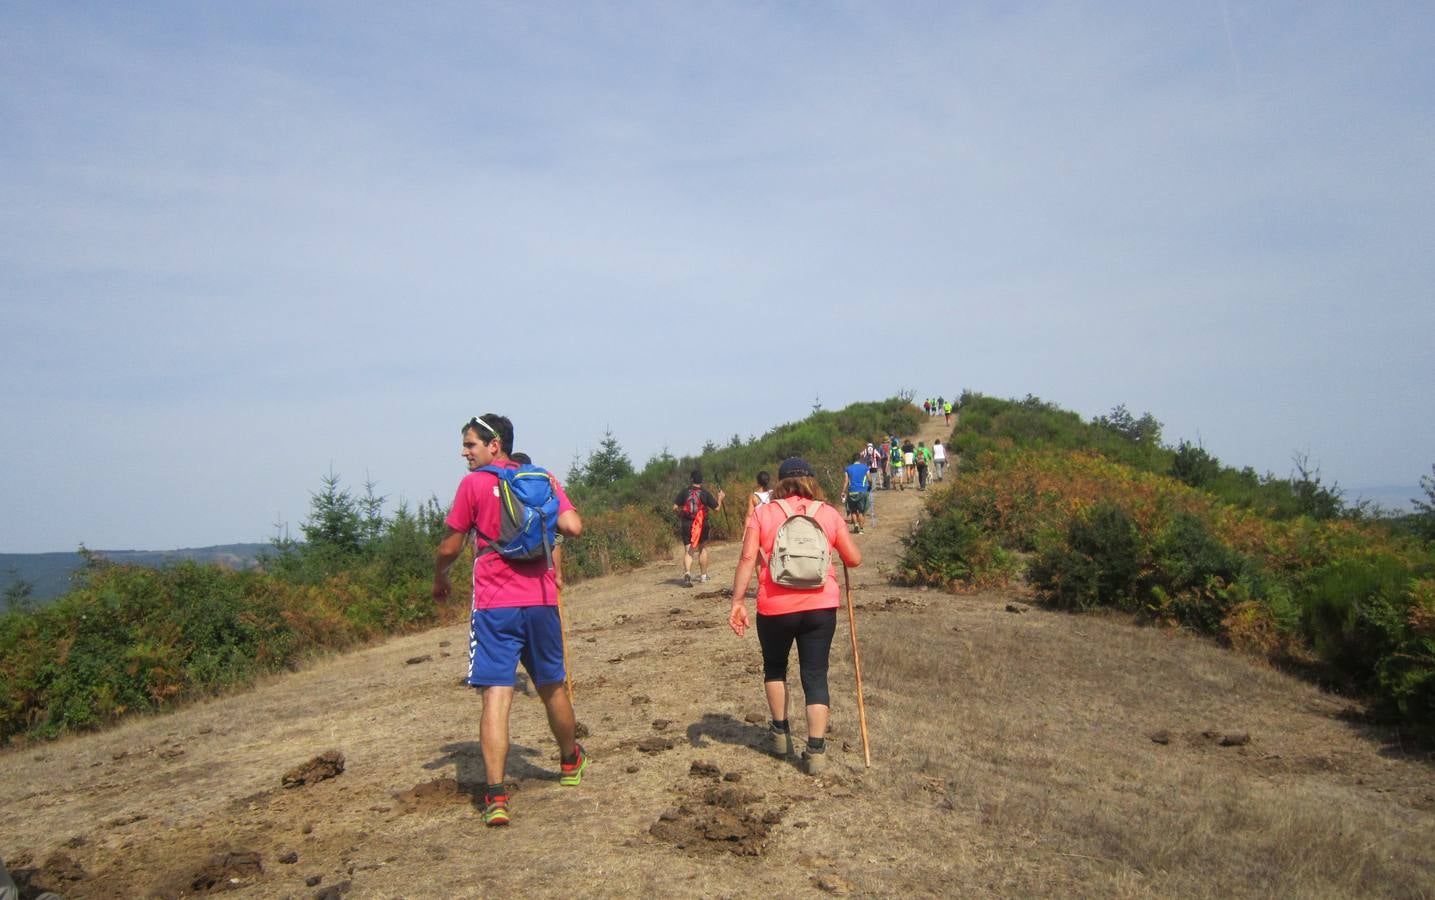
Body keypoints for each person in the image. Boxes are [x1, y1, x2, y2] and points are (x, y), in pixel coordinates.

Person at [432, 414, 587, 827]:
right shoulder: (543, 478)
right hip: (541, 600)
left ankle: (497, 796)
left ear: (494, 444)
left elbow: (450, 545)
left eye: (470, 445)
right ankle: (570, 761)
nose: (464, 453)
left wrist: (440, 574)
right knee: (552, 687)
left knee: (497, 696)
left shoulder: (474, 484)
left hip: (495, 605)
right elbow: (573, 525)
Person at [728, 457, 861, 775]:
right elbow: (854, 559)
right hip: (820, 606)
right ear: (811, 481)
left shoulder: (764, 513)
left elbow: (748, 558)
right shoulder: (827, 513)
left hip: (775, 607)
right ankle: (815, 751)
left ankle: (780, 734)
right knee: (815, 675)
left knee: (775, 668)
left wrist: (737, 601)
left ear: (780, 483)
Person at [674, 470, 725, 586]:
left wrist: (681, 514)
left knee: (689, 550)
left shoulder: (684, 492)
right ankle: (703, 576)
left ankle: (687, 574)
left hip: (687, 523)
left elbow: (674, 507)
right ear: (701, 481)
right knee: (702, 549)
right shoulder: (705, 493)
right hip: (701, 524)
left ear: (691, 479)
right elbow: (717, 509)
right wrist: (720, 498)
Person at [841, 452, 870, 533]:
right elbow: (869, 478)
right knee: (861, 511)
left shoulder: (848, 468)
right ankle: (861, 529)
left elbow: (846, 481)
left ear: (853, 459)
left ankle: (856, 525)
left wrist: (843, 491)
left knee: (853, 510)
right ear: (860, 459)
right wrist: (869, 486)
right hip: (862, 491)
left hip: (851, 492)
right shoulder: (865, 467)